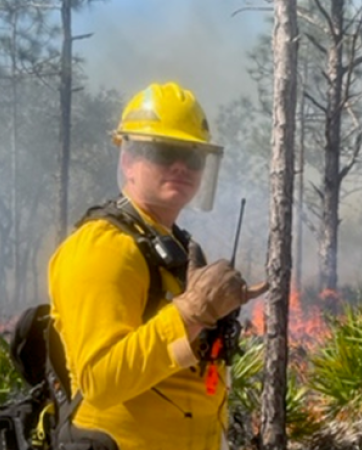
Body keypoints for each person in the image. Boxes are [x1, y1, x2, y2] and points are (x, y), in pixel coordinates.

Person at [48, 81, 267, 450]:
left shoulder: (172, 246)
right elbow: (100, 380)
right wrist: (191, 313)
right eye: (164, 152)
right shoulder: (103, 247)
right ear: (128, 160)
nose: (181, 166)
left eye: (193, 156)